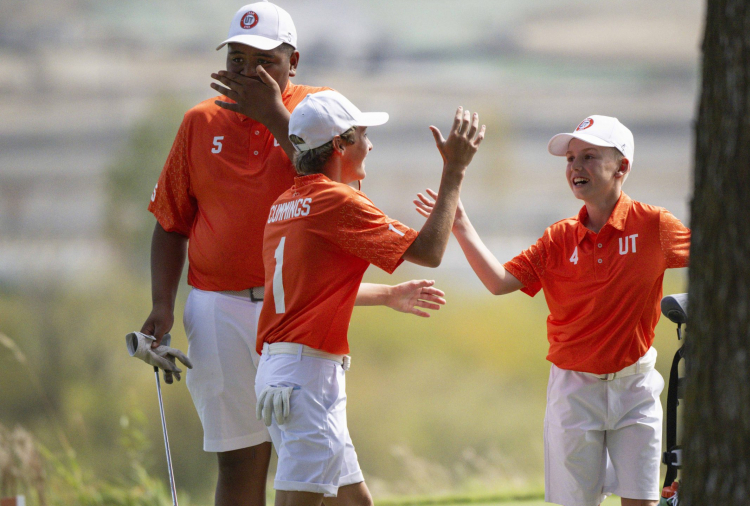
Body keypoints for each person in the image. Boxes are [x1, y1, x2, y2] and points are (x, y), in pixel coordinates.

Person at [133, 3, 446, 506]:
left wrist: (273, 116)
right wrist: (163, 304)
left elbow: (323, 176)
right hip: (217, 306)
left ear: (292, 61)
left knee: (321, 461)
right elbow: (171, 223)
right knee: (240, 458)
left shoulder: (319, 109)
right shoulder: (198, 122)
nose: (246, 71)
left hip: (295, 314)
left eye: (263, 61)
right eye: (236, 57)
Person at [414, 116, 690, 506]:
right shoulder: (558, 239)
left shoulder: (655, 226)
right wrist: (459, 225)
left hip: (636, 388)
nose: (576, 167)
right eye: (571, 158)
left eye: (589, 156)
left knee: (641, 503)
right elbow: (498, 282)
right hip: (574, 392)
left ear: (622, 166)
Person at [253, 90, 485, 505]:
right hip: (307, 379)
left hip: (284, 369)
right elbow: (430, 252)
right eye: (361, 134)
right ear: (339, 145)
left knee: (355, 502)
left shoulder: (285, 204)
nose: (370, 143)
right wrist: (454, 172)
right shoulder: (336, 201)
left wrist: (389, 294)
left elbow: (311, 293)